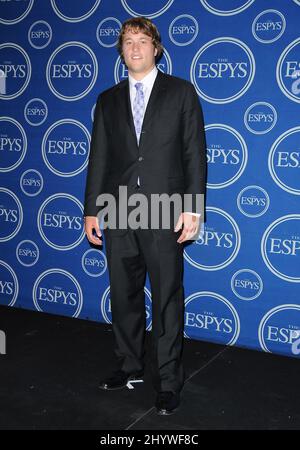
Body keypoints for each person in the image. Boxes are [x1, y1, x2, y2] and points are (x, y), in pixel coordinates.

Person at [84, 16, 206, 415]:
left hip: (165, 209)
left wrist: (192, 207)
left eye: (142, 40)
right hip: (118, 209)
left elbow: (193, 153)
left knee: (168, 298)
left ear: (157, 48)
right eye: (127, 41)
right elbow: (98, 158)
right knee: (123, 295)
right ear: (121, 51)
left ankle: (168, 381)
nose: (134, 47)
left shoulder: (181, 93)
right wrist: (91, 211)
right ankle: (129, 365)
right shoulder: (107, 100)